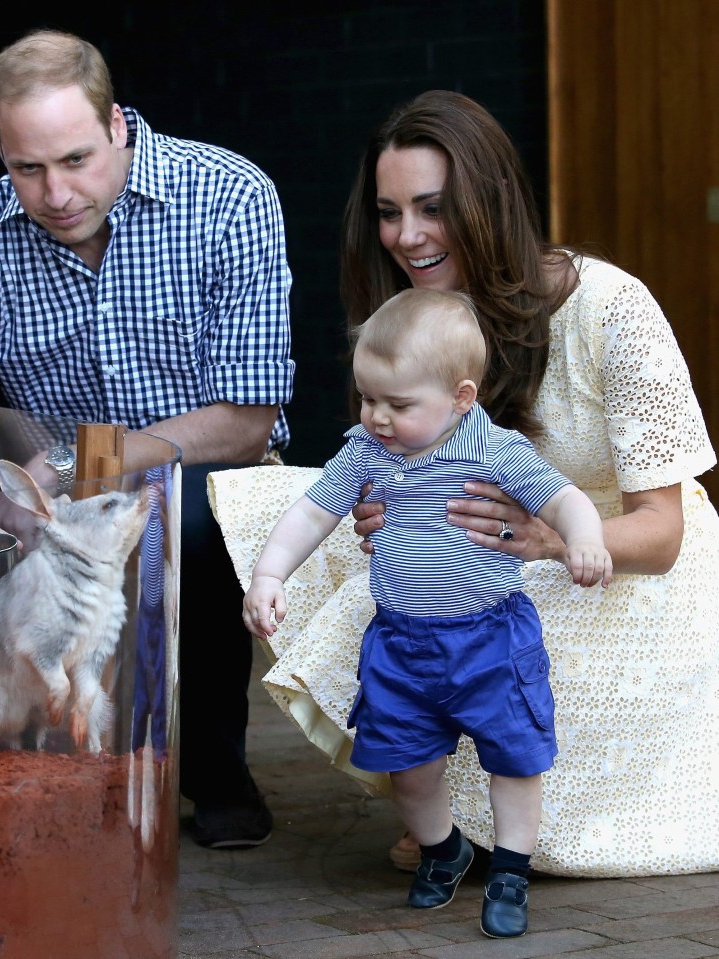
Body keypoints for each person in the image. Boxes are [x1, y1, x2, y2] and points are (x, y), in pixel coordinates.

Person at [206, 89, 719, 891]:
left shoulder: (612, 309)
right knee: (299, 524)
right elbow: (384, 464)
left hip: (618, 572)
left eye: (431, 208)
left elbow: (664, 532)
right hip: (486, 548)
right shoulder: (409, 319)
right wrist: (379, 507)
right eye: (388, 210)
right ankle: (439, 811)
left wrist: (550, 538)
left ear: (490, 201)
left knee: (482, 614)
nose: (406, 235)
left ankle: (488, 824)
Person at [0, 28, 295, 850]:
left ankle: (209, 770)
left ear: (118, 124)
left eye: (78, 159)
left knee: (175, 524)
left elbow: (248, 416)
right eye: (28, 168)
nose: (55, 193)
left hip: (215, 472)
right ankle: (46, 779)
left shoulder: (229, 194)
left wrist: (84, 458)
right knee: (11, 551)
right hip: (65, 494)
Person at [242, 287, 611, 937]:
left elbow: (565, 498)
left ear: (460, 398)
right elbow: (311, 512)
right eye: (368, 397)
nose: (377, 416)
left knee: (514, 757)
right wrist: (270, 572)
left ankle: (511, 870)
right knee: (407, 765)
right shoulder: (367, 451)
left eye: (399, 404)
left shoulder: (493, 449)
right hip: (402, 642)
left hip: (491, 636)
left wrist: (583, 538)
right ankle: (444, 847)